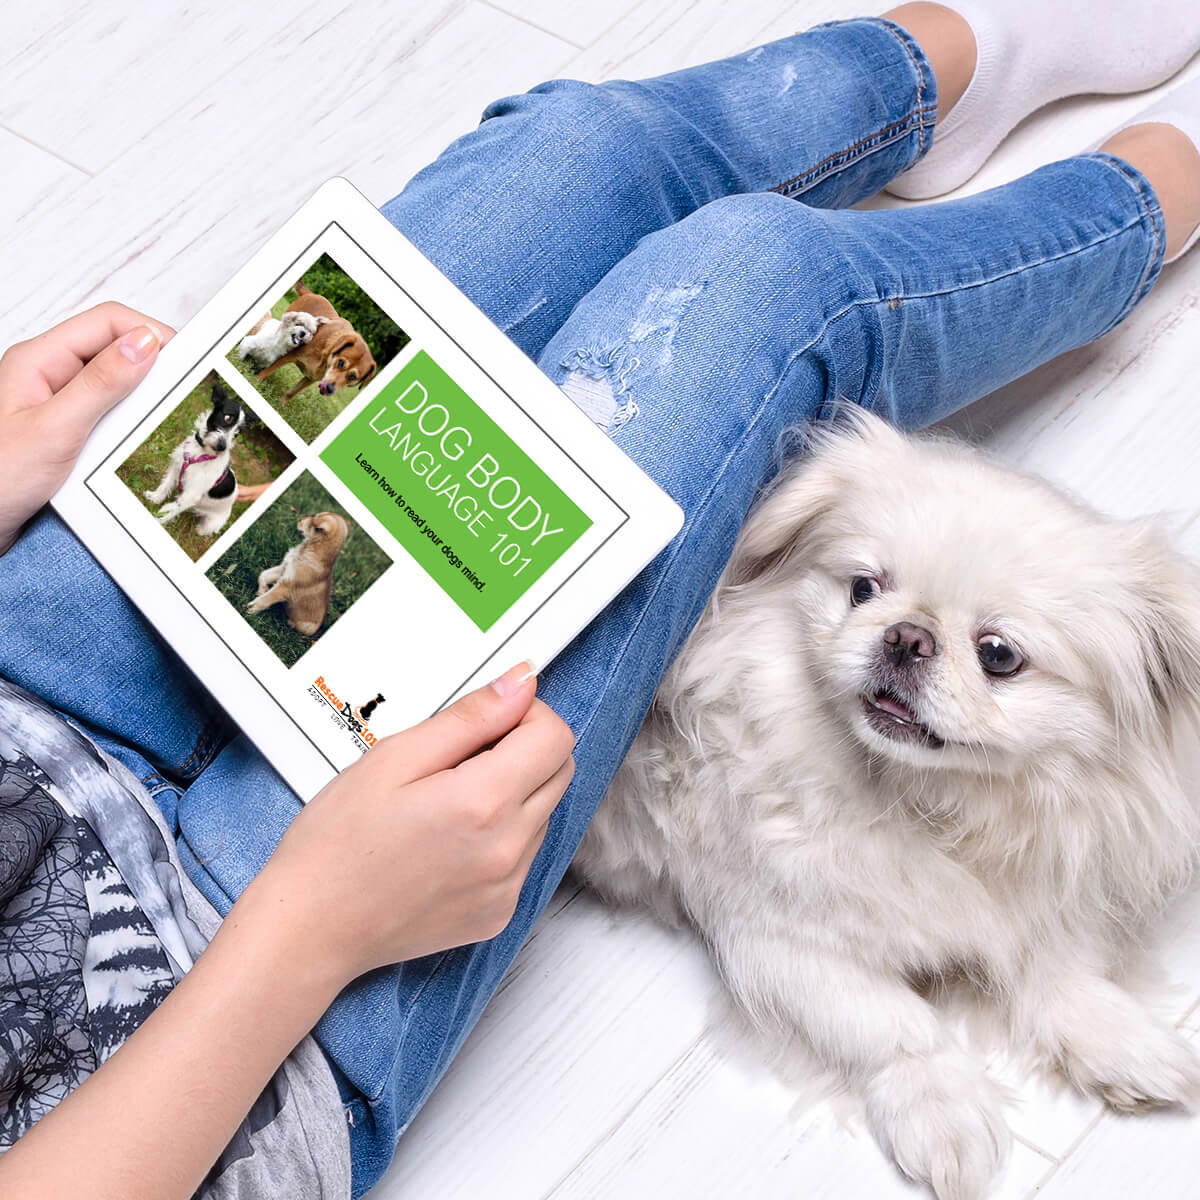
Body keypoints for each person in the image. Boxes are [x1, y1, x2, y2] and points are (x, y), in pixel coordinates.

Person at [2, 3, 1199, 1197]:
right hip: (208, 1004)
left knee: (576, 155)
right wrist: (309, 928)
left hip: (23, 693)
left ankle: (954, 67)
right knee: (761, 284)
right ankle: (1147, 201)